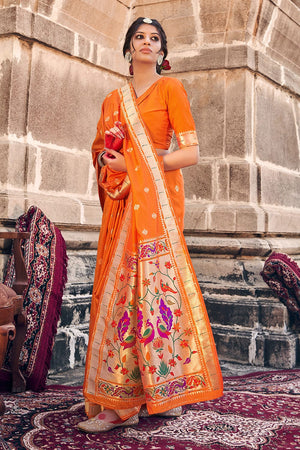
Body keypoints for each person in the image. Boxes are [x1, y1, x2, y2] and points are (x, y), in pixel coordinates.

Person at [78, 17, 223, 433]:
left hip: (157, 205)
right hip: (123, 207)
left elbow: (190, 153)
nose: (146, 42)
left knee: (155, 296)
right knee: (121, 295)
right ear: (128, 48)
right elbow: (101, 152)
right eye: (139, 37)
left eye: (154, 38)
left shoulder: (171, 89)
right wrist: (112, 163)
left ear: (162, 51)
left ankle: (166, 394)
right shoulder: (113, 99)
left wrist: (137, 164)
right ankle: (117, 402)